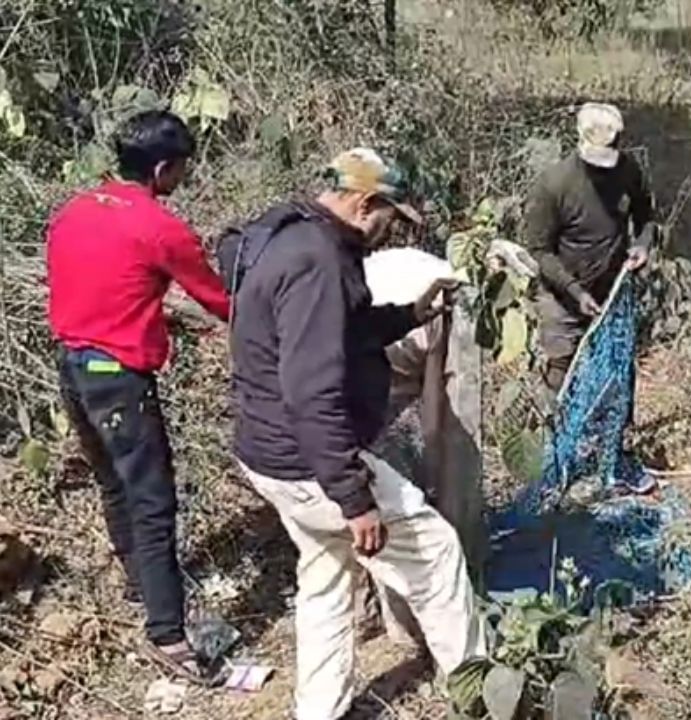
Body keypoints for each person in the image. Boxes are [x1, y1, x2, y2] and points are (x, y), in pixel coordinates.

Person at [226, 148, 487, 720]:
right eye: (390, 219)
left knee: (326, 572)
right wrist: (353, 496)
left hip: (265, 452)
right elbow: (311, 392)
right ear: (364, 202)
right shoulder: (318, 259)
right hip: (306, 462)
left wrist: (411, 315)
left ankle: (319, 710)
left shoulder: (285, 231)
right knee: (435, 550)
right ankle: (481, 696)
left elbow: (340, 327)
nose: (389, 231)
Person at [45, 111, 231, 682]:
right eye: (180, 170)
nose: (182, 179)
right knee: (153, 502)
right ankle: (168, 637)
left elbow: (91, 284)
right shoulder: (160, 227)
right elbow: (223, 302)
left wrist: (156, 319)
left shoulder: (75, 210)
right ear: (161, 168)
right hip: (118, 378)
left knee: (114, 483)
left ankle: (138, 587)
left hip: (72, 366)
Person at [523, 102, 657, 393]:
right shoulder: (554, 184)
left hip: (610, 293)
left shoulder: (628, 172)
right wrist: (575, 290)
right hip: (562, 297)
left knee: (613, 366)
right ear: (580, 141)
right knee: (560, 368)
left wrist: (643, 246)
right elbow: (539, 250)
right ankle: (552, 432)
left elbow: (646, 217)